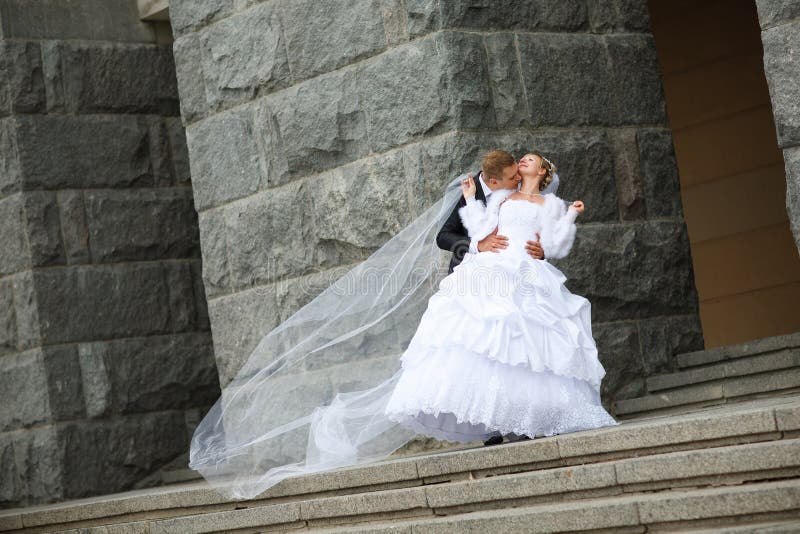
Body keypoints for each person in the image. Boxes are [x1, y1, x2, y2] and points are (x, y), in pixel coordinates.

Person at [383, 151, 618, 445]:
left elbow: (555, 243)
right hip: (493, 266)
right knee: (487, 339)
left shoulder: (551, 204)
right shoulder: (502, 197)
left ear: (543, 172)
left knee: (527, 343)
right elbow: (480, 227)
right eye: (522, 159)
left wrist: (568, 219)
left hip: (528, 272)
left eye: (531, 160)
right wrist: (470, 199)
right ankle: (490, 422)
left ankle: (526, 417)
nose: (523, 161)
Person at [436, 150, 554, 274]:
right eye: (513, 177)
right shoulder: (464, 192)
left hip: (520, 267)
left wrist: (541, 251)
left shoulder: (519, 184)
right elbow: (443, 237)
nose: (519, 178)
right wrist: (478, 246)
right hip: (472, 271)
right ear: (494, 181)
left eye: (518, 172)